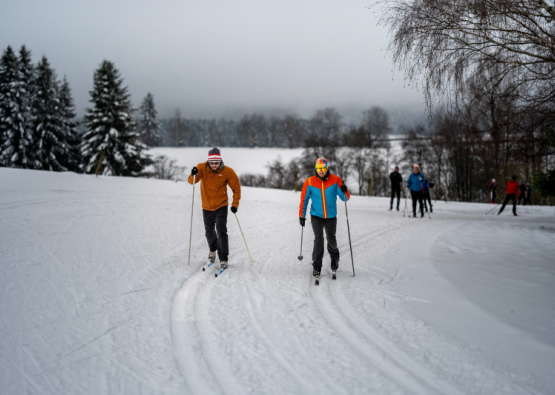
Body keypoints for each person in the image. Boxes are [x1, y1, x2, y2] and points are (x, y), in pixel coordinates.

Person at [188, 147, 241, 269]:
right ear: (208, 162)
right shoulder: (201, 168)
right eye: (212, 163)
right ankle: (213, 249)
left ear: (220, 161)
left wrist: (235, 205)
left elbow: (236, 189)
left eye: (216, 163)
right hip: (206, 207)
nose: (214, 165)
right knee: (209, 232)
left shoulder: (228, 171)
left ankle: (223, 258)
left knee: (221, 231)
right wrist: (193, 174)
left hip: (221, 206)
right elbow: (192, 181)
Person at [299, 157, 350, 280]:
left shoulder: (335, 180)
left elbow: (345, 198)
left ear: (327, 168)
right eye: (318, 168)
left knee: (331, 238)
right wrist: (302, 215)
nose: (321, 171)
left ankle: (334, 259)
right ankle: (317, 266)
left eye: (323, 168)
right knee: (319, 238)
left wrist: (345, 190)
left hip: (331, 216)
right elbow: (304, 200)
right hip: (316, 215)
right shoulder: (310, 182)